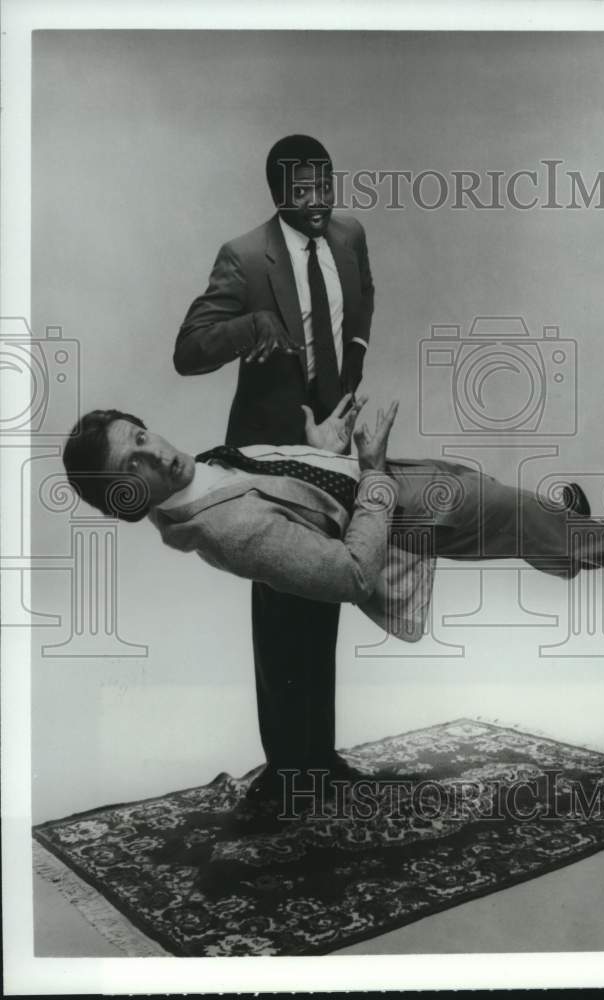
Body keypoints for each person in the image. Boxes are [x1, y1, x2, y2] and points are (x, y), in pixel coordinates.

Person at [63, 398, 604, 648]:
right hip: (402, 516)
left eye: (142, 435)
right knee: (512, 509)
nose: (155, 453)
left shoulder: (194, 472)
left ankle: (561, 538)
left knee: (504, 501)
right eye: (134, 464)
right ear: (124, 499)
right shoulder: (223, 532)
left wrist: (321, 449)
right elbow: (349, 573)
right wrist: (370, 467)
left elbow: (290, 483)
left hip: (385, 483)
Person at [173, 135, 374, 804]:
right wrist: (252, 324)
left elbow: (359, 307)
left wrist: (350, 381)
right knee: (280, 605)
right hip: (266, 456)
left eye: (325, 184)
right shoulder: (243, 257)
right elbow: (189, 350)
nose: (318, 201)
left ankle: (320, 757)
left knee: (323, 594)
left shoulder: (349, 236)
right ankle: (287, 770)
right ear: (278, 193)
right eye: (303, 190)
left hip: (331, 449)